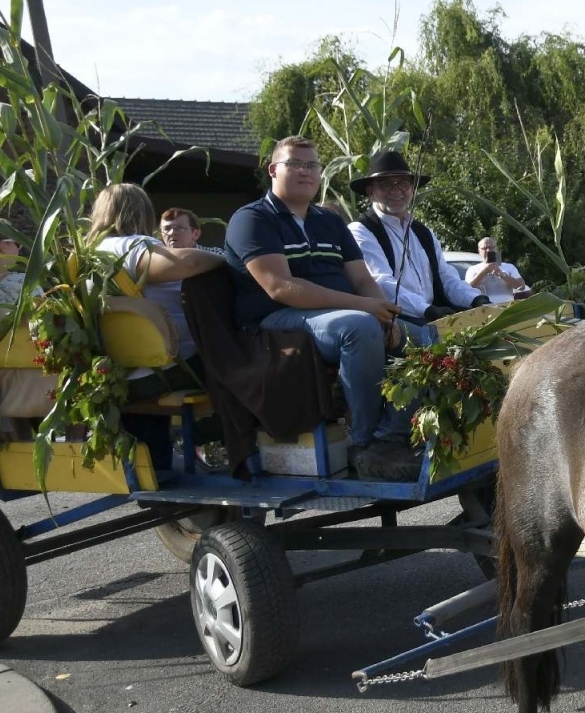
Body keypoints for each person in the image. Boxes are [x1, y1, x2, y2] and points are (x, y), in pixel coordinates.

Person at [225, 135, 417, 481]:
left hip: (333, 313)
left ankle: (392, 436)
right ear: (273, 170)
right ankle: (363, 445)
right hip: (273, 323)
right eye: (295, 164)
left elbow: (361, 279)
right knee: (358, 327)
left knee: (425, 336)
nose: (306, 171)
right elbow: (280, 287)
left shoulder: (329, 222)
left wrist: (385, 310)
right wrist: (365, 308)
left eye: (312, 165)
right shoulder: (252, 219)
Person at [87, 184, 227, 469]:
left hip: (123, 375)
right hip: (170, 369)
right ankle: (241, 446)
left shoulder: (88, 254)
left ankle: (157, 468)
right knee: (252, 359)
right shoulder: (129, 246)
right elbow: (192, 262)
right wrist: (231, 260)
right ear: (142, 213)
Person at [348, 150, 488, 341]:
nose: (396, 190)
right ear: (370, 191)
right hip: (396, 321)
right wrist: (427, 310)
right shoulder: (360, 230)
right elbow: (382, 283)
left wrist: (475, 299)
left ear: (412, 188)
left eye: (403, 183)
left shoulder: (423, 232)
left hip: (433, 319)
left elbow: (447, 278)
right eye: (386, 184)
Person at [466, 236, 530, 303]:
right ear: (479, 251)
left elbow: (521, 286)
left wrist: (503, 275)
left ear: (496, 249)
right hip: (484, 309)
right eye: (484, 248)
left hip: (506, 307)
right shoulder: (473, 269)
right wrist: (484, 272)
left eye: (491, 247)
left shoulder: (509, 267)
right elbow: (468, 289)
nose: (488, 250)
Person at [159, 207, 223, 254]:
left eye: (180, 228)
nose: (172, 232)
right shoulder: (155, 259)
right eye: (167, 229)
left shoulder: (217, 255)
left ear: (196, 234)